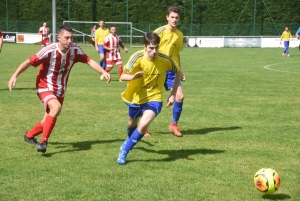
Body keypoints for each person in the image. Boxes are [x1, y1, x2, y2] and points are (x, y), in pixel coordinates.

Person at [8, 25, 111, 153]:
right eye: (66, 38)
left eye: (71, 38)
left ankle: (29, 135)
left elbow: (89, 61)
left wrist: (103, 71)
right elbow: (29, 62)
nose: (69, 41)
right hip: (44, 86)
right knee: (56, 107)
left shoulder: (75, 50)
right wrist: (14, 76)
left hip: (60, 89)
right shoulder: (49, 50)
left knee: (48, 119)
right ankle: (44, 142)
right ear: (59, 38)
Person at [117, 32, 183, 165]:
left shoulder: (165, 59)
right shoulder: (137, 57)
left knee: (143, 125)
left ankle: (124, 151)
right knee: (131, 123)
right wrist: (132, 77)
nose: (154, 51)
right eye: (151, 48)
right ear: (145, 47)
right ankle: (130, 140)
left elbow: (178, 72)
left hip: (155, 98)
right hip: (137, 98)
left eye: (156, 48)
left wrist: (172, 93)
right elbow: (122, 77)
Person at [152, 5, 185, 137]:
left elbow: (177, 54)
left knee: (180, 96)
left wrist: (180, 70)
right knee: (151, 98)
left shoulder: (179, 35)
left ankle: (174, 124)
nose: (174, 19)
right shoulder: (159, 31)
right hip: (157, 69)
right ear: (167, 17)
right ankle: (144, 125)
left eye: (176, 17)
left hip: (172, 70)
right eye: (172, 17)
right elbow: (149, 49)